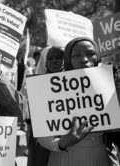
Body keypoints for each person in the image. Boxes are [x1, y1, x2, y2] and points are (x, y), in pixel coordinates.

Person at [38, 37, 112, 166]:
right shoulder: (50, 88)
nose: (84, 59)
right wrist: (62, 143)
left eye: (90, 54)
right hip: (64, 158)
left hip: (100, 156)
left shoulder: (108, 86)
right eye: (77, 55)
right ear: (68, 59)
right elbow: (43, 138)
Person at [27, 46, 64, 166]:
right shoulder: (35, 83)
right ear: (44, 61)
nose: (55, 61)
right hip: (42, 135)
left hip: (65, 135)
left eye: (59, 57)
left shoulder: (73, 82)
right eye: (51, 58)